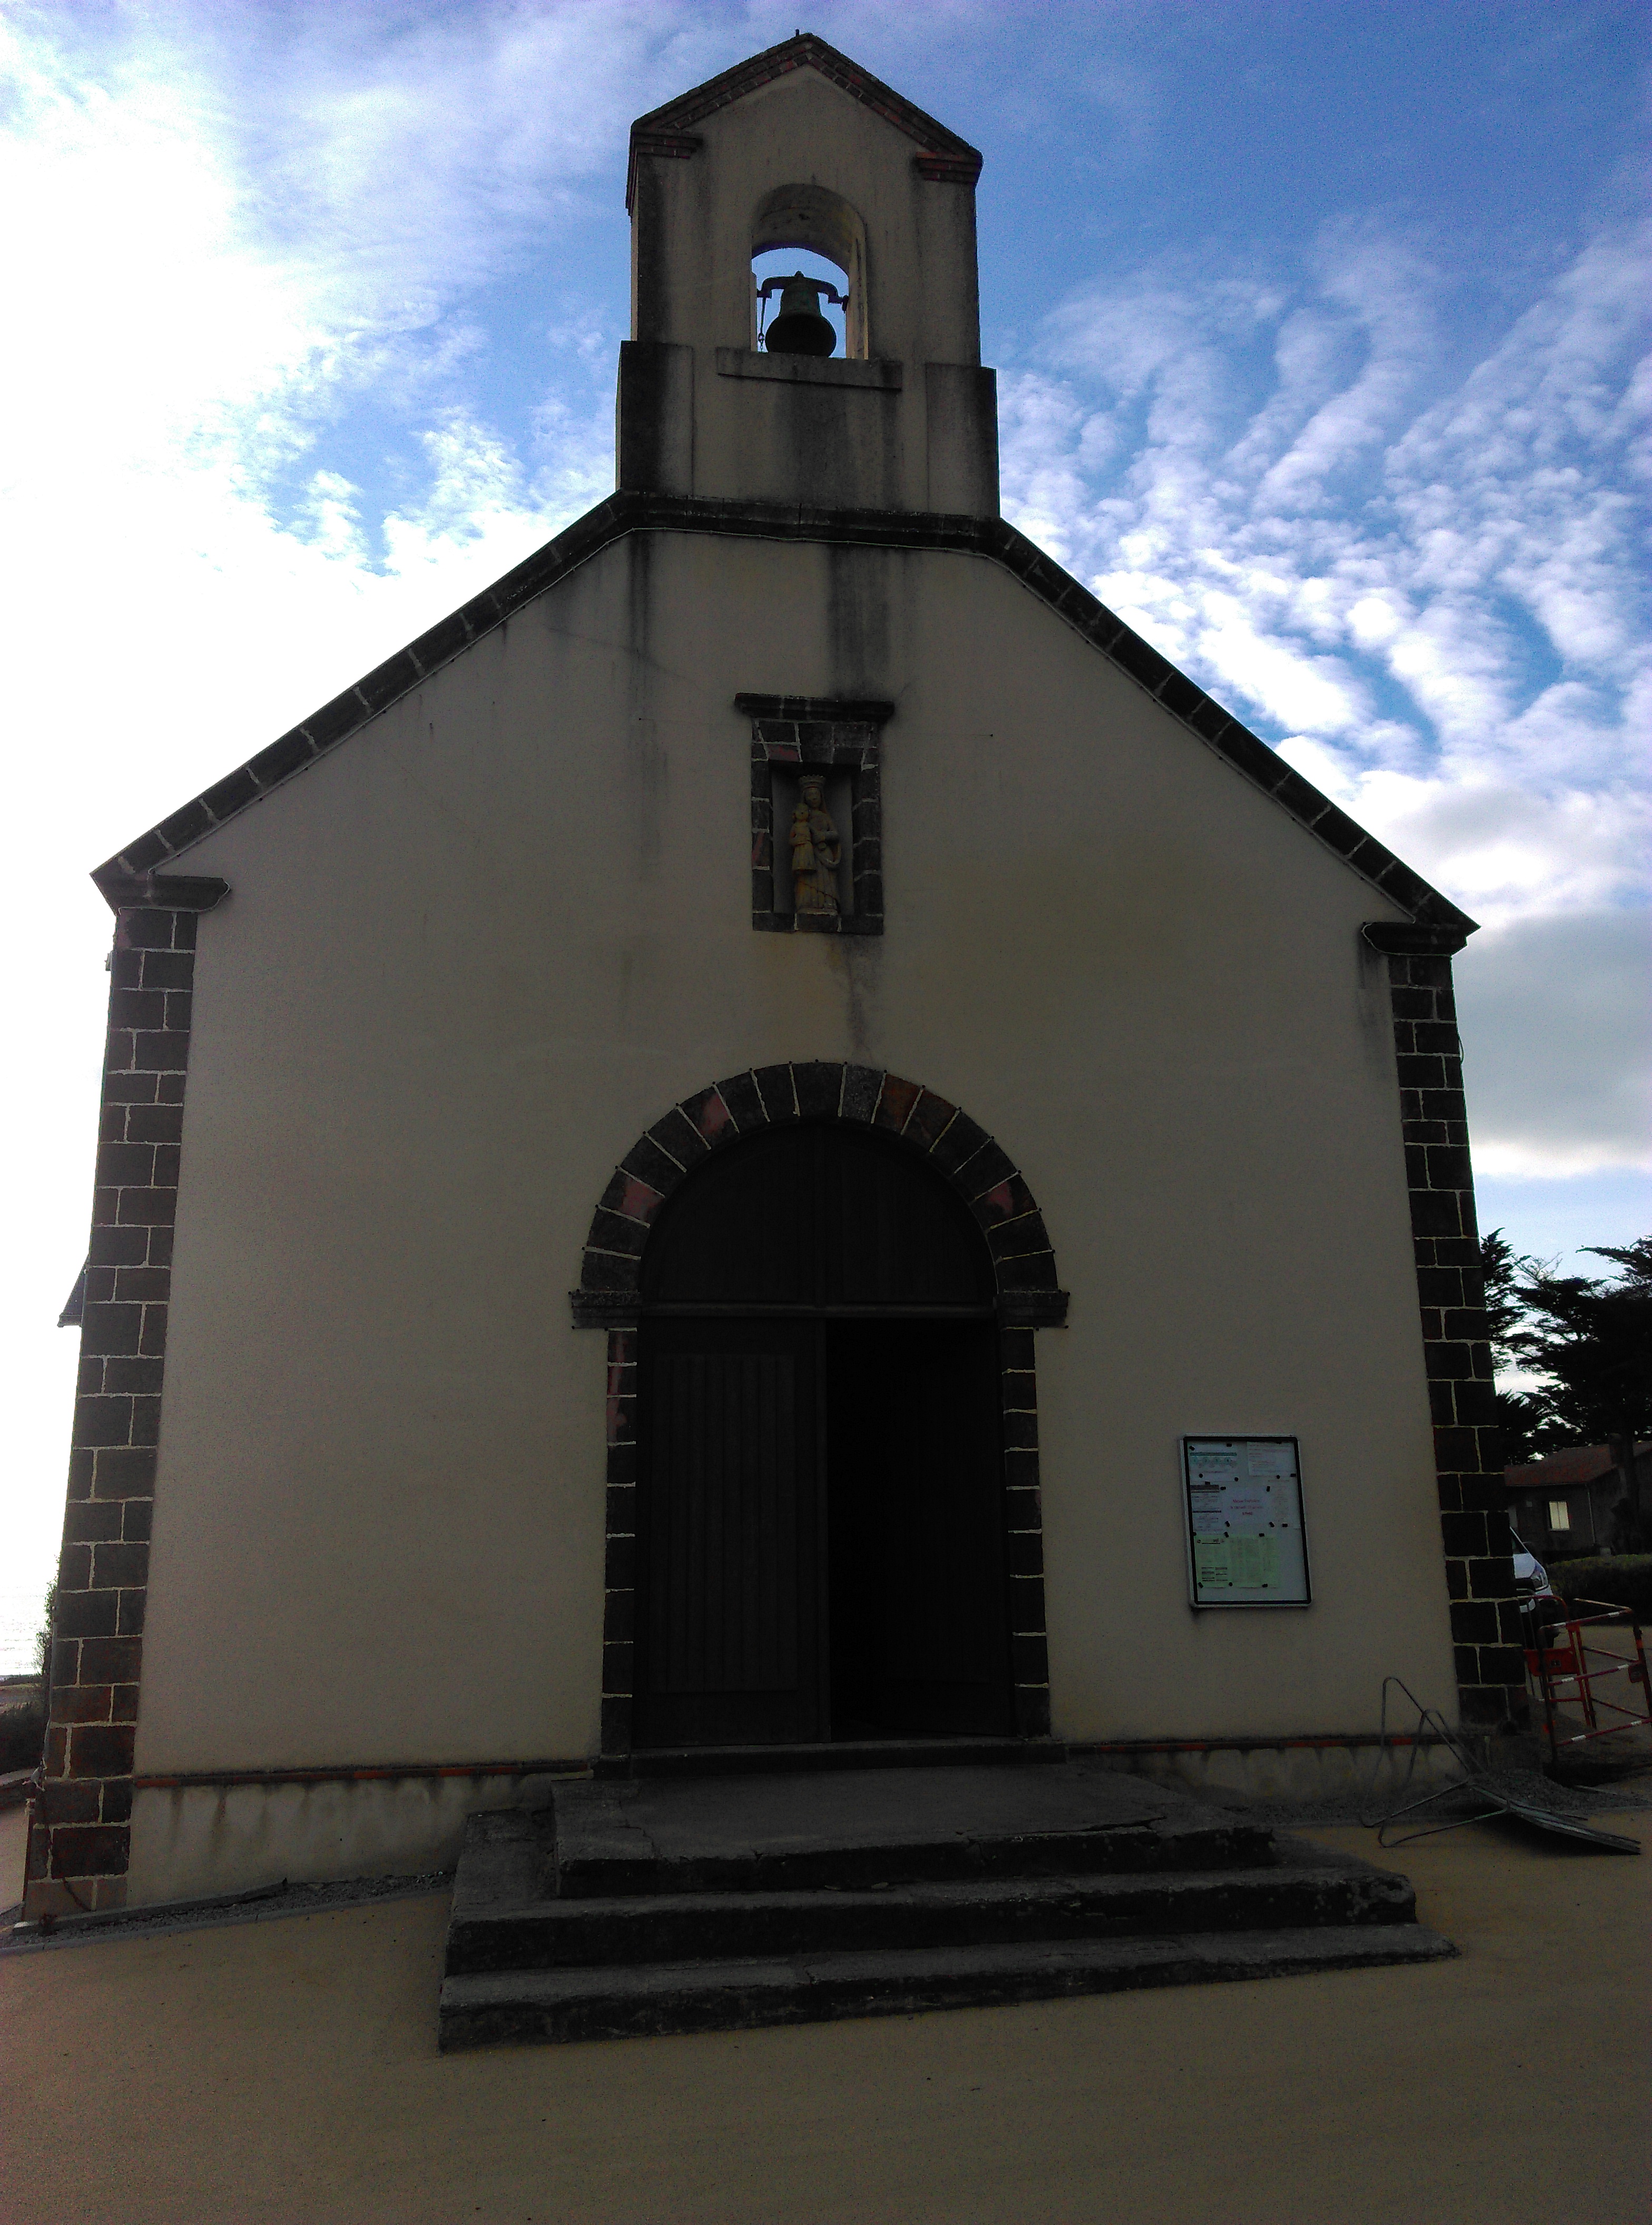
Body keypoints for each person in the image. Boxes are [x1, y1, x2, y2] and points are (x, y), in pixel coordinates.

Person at [789, 777, 841, 914]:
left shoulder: (825, 816)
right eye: (810, 795)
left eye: (816, 794)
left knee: (826, 879)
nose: (813, 798)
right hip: (806, 854)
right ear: (805, 798)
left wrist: (823, 836)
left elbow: (835, 834)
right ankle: (807, 903)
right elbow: (793, 838)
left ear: (821, 796)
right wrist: (799, 840)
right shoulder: (802, 819)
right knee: (806, 879)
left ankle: (828, 903)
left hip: (824, 853)